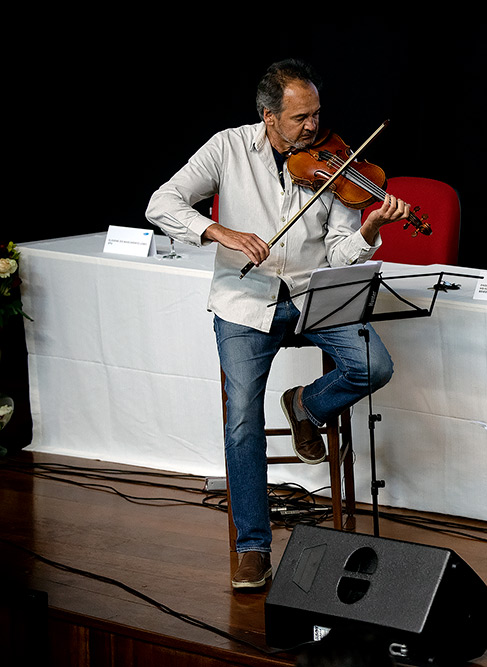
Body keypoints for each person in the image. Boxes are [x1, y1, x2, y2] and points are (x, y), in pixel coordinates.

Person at [146, 59, 410, 590]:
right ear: (268, 117)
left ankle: (305, 405)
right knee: (242, 417)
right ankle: (253, 547)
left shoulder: (335, 163)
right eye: (299, 118)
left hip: (314, 294)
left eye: (316, 114)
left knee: (373, 366)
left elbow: (339, 255)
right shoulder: (227, 147)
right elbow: (162, 203)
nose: (313, 127)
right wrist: (218, 231)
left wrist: (370, 227)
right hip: (246, 302)